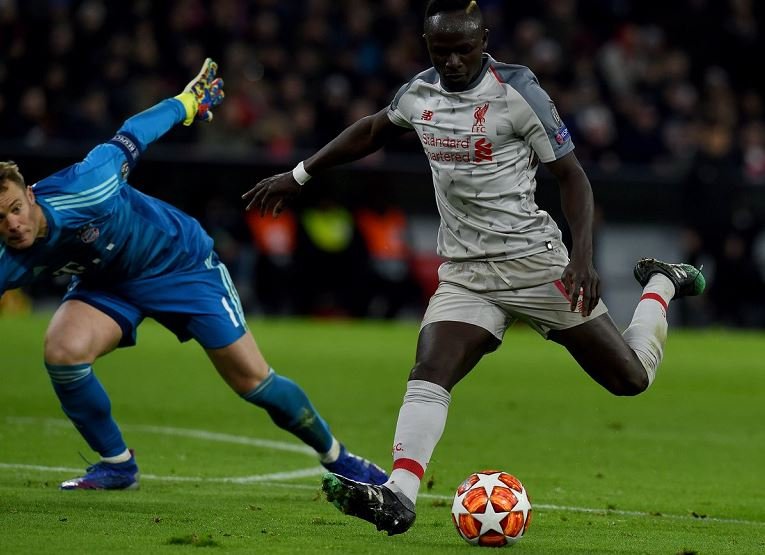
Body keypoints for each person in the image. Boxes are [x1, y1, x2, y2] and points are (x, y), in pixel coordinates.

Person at [242, 0, 706, 536]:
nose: (455, 61)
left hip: (535, 263)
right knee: (430, 371)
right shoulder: (419, 93)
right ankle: (399, 495)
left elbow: (572, 177)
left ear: (483, 40)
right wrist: (298, 175)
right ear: (427, 46)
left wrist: (582, 257)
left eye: (465, 49)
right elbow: (372, 130)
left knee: (631, 379)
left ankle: (660, 283)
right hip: (466, 271)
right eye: (443, 51)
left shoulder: (519, 92)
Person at [0, 59, 387, 490]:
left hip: (178, 262)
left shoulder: (88, 186)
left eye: (16, 208)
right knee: (63, 351)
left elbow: (132, 133)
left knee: (254, 382)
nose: (13, 224)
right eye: (0, 219)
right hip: (107, 283)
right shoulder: (5, 254)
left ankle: (339, 457)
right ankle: (118, 465)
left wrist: (186, 102)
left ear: (30, 195)